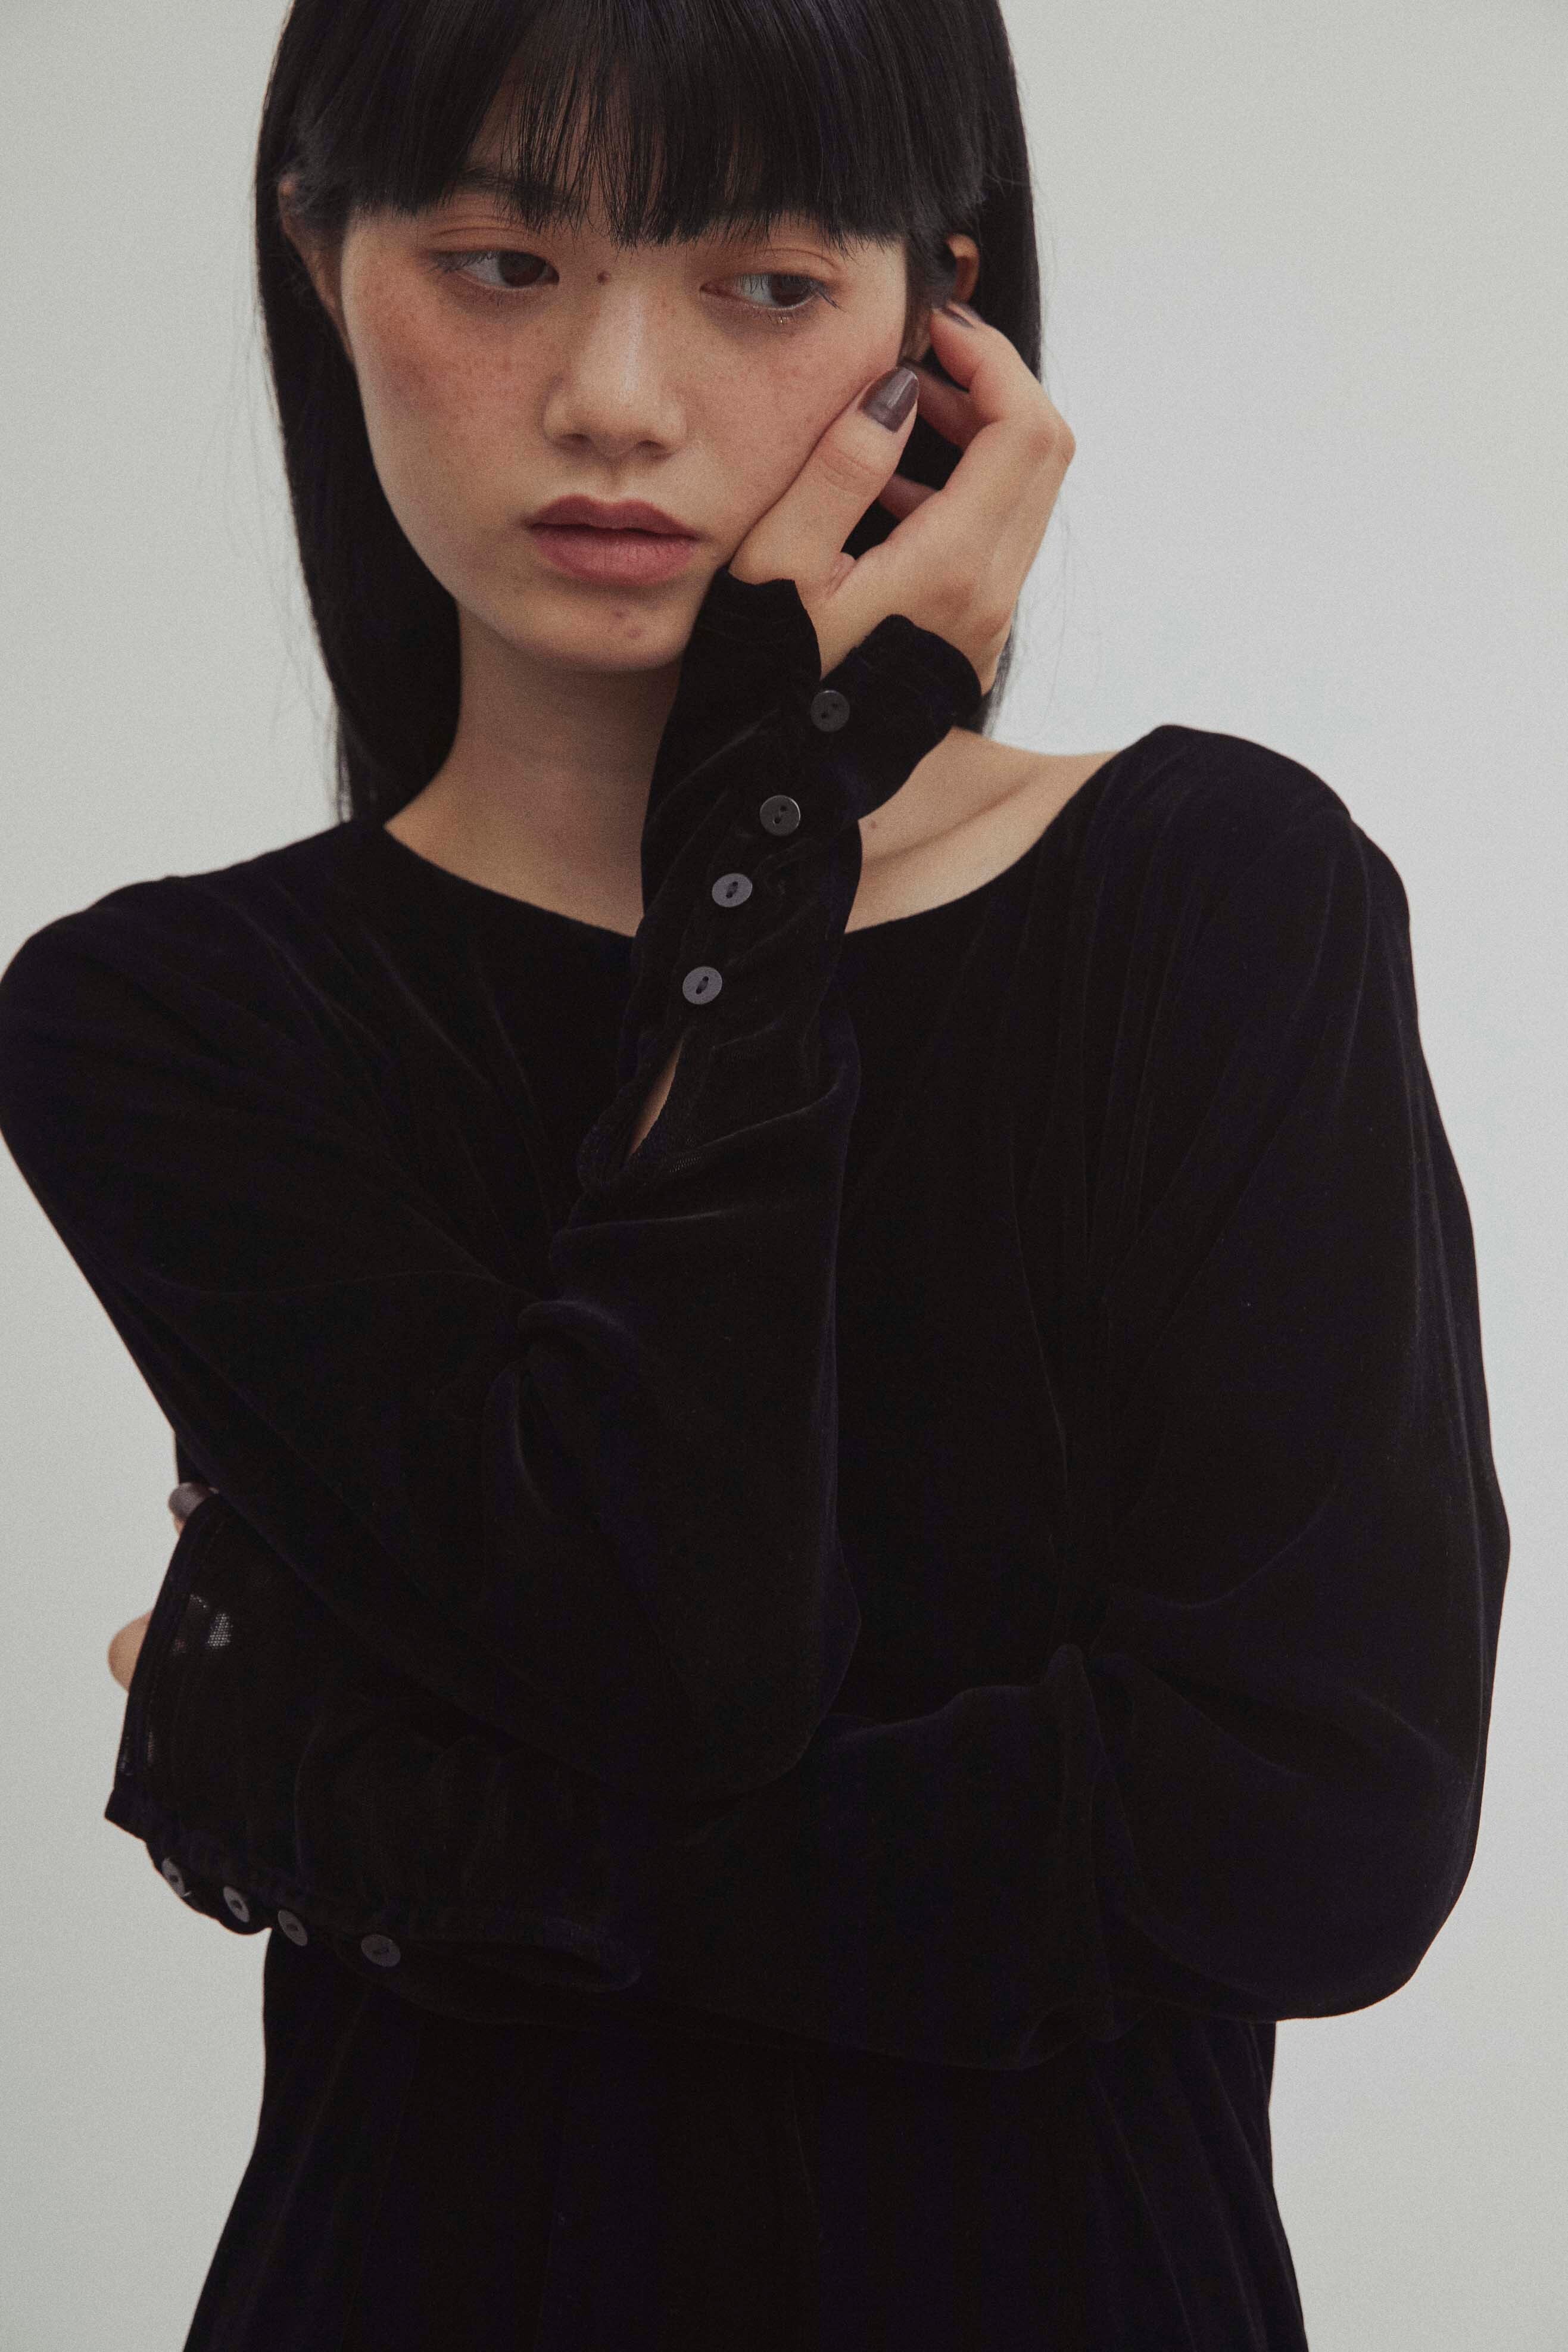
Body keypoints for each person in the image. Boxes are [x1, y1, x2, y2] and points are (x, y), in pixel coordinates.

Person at [0, 2, 1509, 2347]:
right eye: (500, 262)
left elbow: (1314, 1842)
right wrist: (770, 834)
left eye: (766, 281)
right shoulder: (175, 1016)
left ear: (938, 323)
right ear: (319, 257)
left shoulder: (1215, 901)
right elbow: (668, 1647)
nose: (615, 396)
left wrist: (401, 1822)